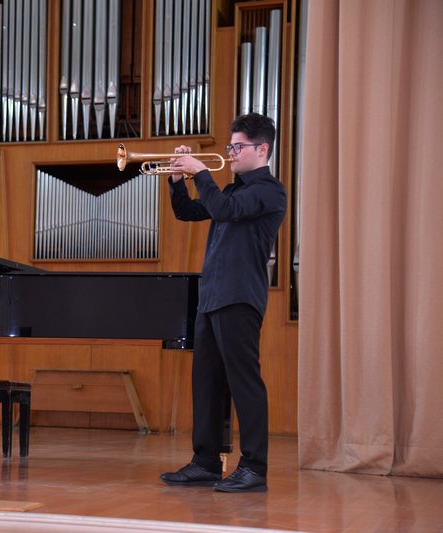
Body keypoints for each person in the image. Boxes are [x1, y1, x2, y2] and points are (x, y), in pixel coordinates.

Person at [160, 113, 286, 492]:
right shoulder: (230, 190)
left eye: (238, 146)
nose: (230, 153)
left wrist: (200, 171)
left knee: (244, 382)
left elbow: (224, 210)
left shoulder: (269, 191)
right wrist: (176, 179)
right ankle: (205, 461)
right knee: (206, 382)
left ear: (262, 149)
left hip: (240, 297)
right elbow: (187, 212)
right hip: (212, 296)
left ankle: (254, 467)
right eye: (230, 146)